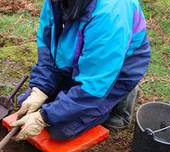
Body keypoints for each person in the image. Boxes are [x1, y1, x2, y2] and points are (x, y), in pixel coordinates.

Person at [12, 0, 150, 141]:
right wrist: (40, 88)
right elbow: (47, 44)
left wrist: (44, 118)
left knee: (60, 129)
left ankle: (120, 100)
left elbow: (94, 85)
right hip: (75, 59)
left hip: (114, 69)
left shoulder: (109, 13)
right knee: (26, 103)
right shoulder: (56, 2)